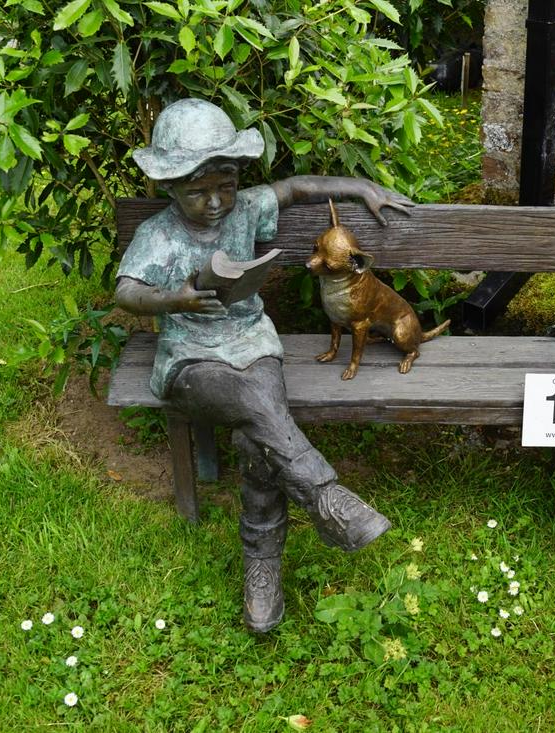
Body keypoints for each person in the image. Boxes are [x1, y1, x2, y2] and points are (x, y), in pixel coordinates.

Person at [115, 98, 410, 632]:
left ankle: (263, 568)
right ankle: (323, 501)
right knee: (261, 410)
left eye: (223, 187)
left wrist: (359, 188)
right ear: (171, 187)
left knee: (258, 432)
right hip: (189, 356)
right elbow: (126, 291)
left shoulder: (246, 209)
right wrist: (173, 300)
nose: (214, 202)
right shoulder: (156, 233)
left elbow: (297, 187)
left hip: (252, 342)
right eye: (197, 192)